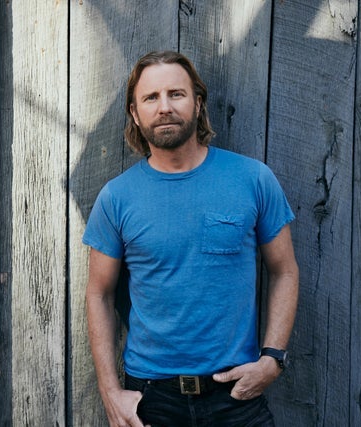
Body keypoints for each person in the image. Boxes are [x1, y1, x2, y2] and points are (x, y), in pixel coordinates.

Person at [83, 50, 299, 426]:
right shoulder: (116, 198)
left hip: (237, 396)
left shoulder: (252, 179)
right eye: (151, 98)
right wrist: (110, 391)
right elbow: (99, 293)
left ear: (198, 103)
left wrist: (273, 359)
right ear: (135, 113)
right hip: (151, 400)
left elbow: (285, 271)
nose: (164, 107)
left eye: (176, 94)